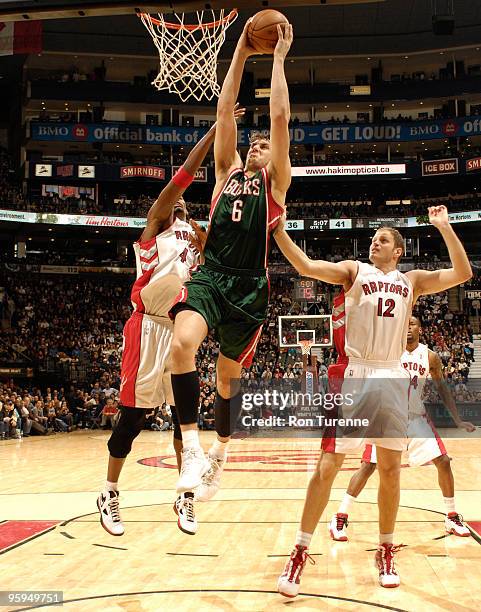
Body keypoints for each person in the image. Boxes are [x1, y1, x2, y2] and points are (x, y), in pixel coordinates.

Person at [273, 205, 471, 592]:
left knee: (390, 470)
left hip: (394, 375)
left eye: (381, 239)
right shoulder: (354, 271)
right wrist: (279, 232)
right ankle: (298, 551)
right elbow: (306, 266)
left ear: (397, 250)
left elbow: (462, 273)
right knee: (328, 465)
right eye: (373, 240)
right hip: (356, 375)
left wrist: (445, 227)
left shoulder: (411, 279)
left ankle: (385, 549)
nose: (373, 243)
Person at [169, 19, 293, 511]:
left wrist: (279, 59)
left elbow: (280, 119)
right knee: (182, 345)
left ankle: (220, 450)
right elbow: (225, 112)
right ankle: (192, 447)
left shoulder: (276, 184)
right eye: (254, 144)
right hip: (212, 276)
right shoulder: (225, 174)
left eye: (264, 146)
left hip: (249, 290)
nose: (258, 146)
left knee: (226, 380)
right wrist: (241, 52)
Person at [96, 114, 235, 538]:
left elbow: (223, 253)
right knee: (133, 420)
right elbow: (183, 177)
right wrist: (215, 132)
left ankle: (185, 497)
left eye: (185, 204)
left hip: (179, 333)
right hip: (146, 327)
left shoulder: (198, 240)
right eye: (176, 200)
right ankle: (109, 491)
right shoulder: (156, 223)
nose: (179, 201)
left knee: (183, 421)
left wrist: (203, 236)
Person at [330, 315, 476, 542]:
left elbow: (443, 389)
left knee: (444, 461)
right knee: (368, 465)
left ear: (420, 328)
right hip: (386, 418)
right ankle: (340, 516)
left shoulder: (430, 357)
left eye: (413, 324)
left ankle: (451, 515)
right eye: (404, 324)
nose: (408, 328)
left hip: (415, 418)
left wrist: (457, 420)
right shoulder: (387, 353)